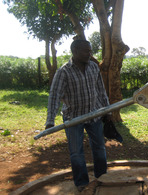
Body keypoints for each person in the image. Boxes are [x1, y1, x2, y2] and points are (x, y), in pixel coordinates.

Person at [45, 39, 109, 192]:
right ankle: (81, 183)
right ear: (74, 51)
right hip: (73, 118)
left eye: (90, 50)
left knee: (99, 148)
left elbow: (101, 91)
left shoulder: (94, 67)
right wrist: (50, 120)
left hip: (94, 115)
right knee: (76, 152)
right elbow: (55, 96)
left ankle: (102, 178)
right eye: (86, 51)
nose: (89, 54)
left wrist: (107, 111)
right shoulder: (64, 72)